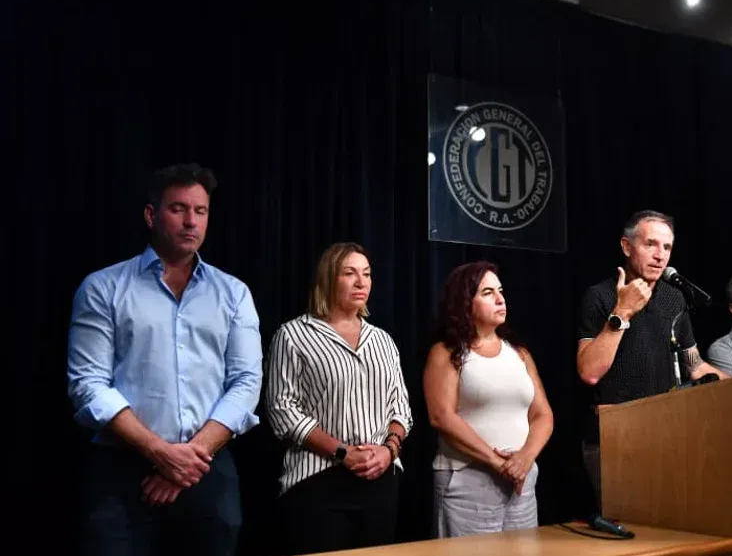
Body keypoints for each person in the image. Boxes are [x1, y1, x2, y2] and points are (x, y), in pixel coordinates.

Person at [66, 163, 263, 556]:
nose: (191, 221)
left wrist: (187, 461)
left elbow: (246, 383)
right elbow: (87, 385)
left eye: (201, 211)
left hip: (207, 471)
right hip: (122, 475)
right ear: (151, 215)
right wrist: (160, 452)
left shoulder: (233, 293)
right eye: (178, 209)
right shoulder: (103, 288)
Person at [265, 242, 413, 554]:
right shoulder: (293, 335)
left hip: (379, 480)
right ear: (329, 278)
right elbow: (283, 411)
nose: (362, 282)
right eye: (350, 273)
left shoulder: (382, 340)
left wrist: (389, 450)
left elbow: (401, 407)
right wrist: (343, 453)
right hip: (318, 481)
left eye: (367, 274)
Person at [576, 210, 722, 506]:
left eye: (666, 247)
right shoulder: (601, 296)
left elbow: (694, 366)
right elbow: (589, 371)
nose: (660, 255)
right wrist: (623, 312)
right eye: (650, 244)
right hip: (615, 438)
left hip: (665, 434)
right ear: (627, 247)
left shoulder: (674, 298)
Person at [424, 261, 554, 537]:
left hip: (522, 482)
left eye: (500, 291)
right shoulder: (445, 352)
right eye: (487, 293)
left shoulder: (518, 352)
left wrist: (524, 460)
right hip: (467, 482)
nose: (500, 298)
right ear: (465, 302)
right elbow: (441, 416)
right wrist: (500, 464)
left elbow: (542, 414)